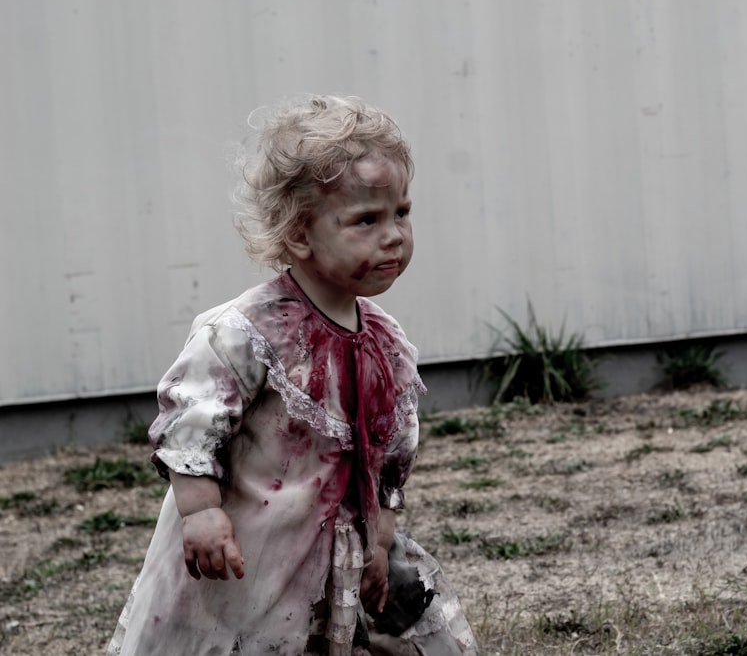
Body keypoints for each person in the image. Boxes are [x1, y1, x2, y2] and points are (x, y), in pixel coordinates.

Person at [108, 95, 478, 656]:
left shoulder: (386, 342)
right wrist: (202, 512)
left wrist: (379, 536)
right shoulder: (247, 331)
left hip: (340, 549)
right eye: (366, 220)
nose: (394, 235)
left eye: (401, 212)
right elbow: (191, 422)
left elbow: (389, 452)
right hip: (251, 551)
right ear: (301, 234)